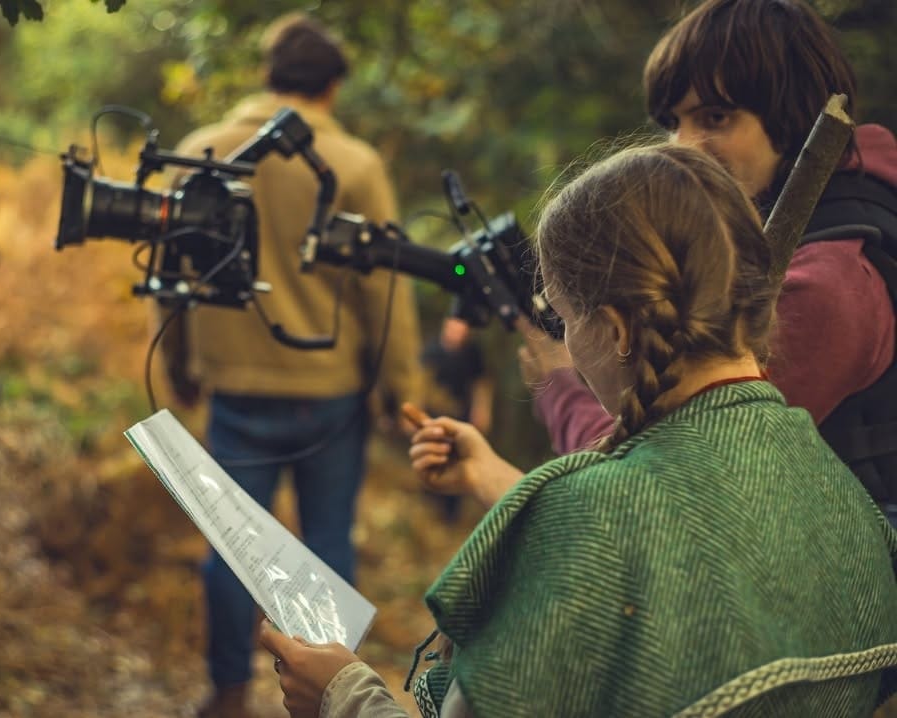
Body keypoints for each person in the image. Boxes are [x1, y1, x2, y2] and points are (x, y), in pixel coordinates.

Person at [260, 142, 897, 718]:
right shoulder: (846, 497)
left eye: (564, 318)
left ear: (617, 329)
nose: (565, 342)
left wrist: (343, 692)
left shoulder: (585, 519)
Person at [523, 0, 897, 525]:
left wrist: (560, 383)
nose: (685, 147)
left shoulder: (827, 284)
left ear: (794, 119)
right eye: (673, 123)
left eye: (716, 117)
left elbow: (665, 478)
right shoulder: (830, 229)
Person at [156, 13, 422, 717]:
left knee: (230, 552)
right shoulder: (356, 166)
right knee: (328, 540)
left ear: (268, 79)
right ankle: (329, 695)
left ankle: (229, 690)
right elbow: (383, 289)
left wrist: (179, 357)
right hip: (329, 395)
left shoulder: (202, 149)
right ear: (332, 87)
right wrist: (403, 391)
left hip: (234, 386)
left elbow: (172, 269)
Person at [418, 316, 493, 522]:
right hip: (434, 415)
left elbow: (481, 383)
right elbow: (420, 381)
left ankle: (450, 514)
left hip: (461, 417)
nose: (456, 331)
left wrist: (482, 410)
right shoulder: (432, 349)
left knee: (457, 460)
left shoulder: (472, 353)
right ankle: (429, 505)